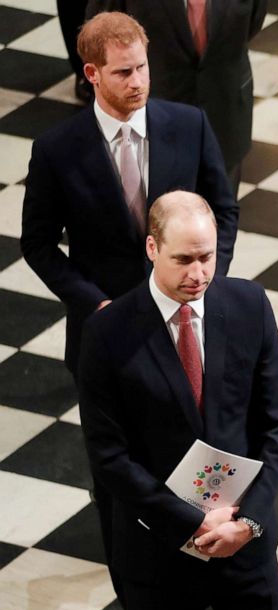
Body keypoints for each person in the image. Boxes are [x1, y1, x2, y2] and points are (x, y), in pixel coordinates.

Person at [76, 191, 278, 610]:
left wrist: (248, 522)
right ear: (152, 248)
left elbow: (276, 426)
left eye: (207, 257)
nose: (198, 274)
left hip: (244, 542)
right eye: (183, 259)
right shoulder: (107, 333)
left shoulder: (250, 305)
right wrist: (191, 523)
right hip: (158, 553)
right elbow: (109, 457)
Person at [21, 10, 238, 376]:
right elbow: (37, 245)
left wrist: (206, 276)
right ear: (92, 74)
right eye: (123, 72)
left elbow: (224, 210)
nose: (137, 81)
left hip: (185, 318)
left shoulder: (190, 125)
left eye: (142, 67)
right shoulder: (56, 151)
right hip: (106, 329)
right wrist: (95, 303)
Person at [86, 0, 267, 190]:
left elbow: (254, 20)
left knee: (220, 208)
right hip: (150, 112)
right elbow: (98, 34)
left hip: (224, 107)